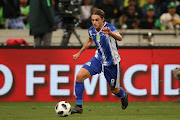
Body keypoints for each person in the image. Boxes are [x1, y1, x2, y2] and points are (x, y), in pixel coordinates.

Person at [71, 9, 128, 114]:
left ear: (102, 19)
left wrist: (110, 33)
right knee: (79, 76)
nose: (94, 22)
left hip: (111, 63)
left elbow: (119, 38)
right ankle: (79, 107)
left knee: (114, 90)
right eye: (92, 20)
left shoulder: (109, 27)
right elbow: (90, 41)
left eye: (96, 20)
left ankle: (124, 95)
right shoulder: (92, 30)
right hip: (98, 59)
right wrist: (79, 53)